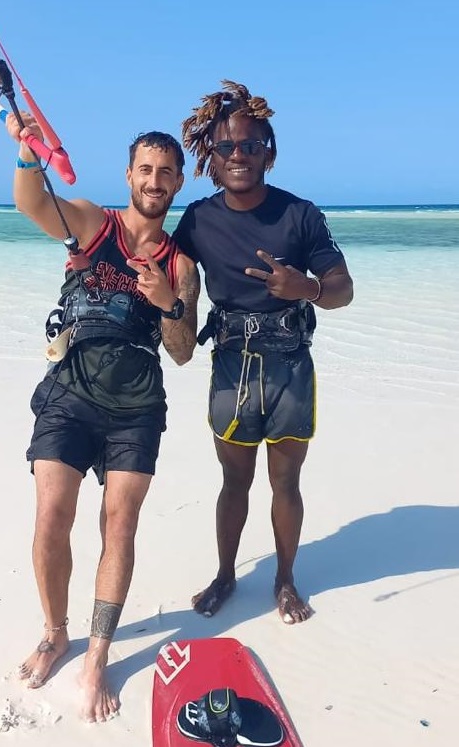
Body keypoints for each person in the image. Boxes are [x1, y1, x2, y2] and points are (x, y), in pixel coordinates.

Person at [5, 113, 200, 721]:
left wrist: (168, 304)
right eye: (146, 168)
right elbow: (32, 203)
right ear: (130, 175)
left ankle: (97, 655)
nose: (155, 179)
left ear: (179, 181)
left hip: (137, 406)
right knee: (50, 517)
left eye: (166, 171)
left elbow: (184, 348)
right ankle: (54, 630)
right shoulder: (94, 223)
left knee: (119, 527)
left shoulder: (180, 264)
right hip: (70, 390)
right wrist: (28, 151)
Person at [173, 80, 353, 625]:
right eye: (226, 147)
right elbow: (162, 266)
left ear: (268, 151)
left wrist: (308, 289)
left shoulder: (300, 215)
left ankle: (284, 579)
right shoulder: (199, 219)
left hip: (291, 365)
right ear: (211, 156)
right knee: (233, 480)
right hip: (232, 364)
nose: (237, 156)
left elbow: (343, 287)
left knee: (286, 481)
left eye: (249, 146)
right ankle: (227, 575)